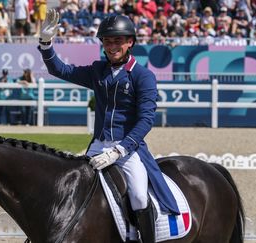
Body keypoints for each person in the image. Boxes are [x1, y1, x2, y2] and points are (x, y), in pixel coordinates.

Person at [37, 10, 179, 243]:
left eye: (118, 41)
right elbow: (59, 69)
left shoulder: (143, 76)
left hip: (127, 150)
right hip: (97, 148)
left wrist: (119, 150)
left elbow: (145, 120)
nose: (112, 46)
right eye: (108, 41)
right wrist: (45, 43)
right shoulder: (97, 71)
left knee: (139, 196)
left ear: (130, 42)